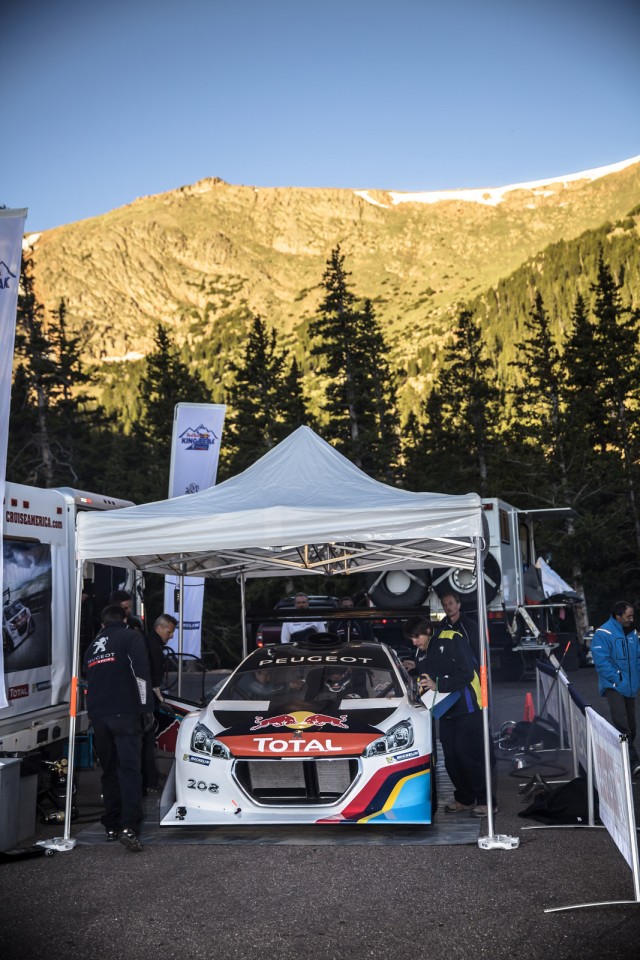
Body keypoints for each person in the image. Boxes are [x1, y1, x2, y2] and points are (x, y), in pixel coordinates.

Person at [404, 615, 491, 817]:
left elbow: (467, 673)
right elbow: (430, 673)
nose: (414, 642)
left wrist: (439, 684)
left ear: (427, 631)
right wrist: (414, 668)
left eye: (416, 637)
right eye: (411, 639)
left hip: (468, 707)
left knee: (468, 755)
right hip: (445, 710)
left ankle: (486, 801)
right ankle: (465, 799)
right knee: (450, 758)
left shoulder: (452, 638)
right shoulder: (420, 651)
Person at [83, 605, 153, 852]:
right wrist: (146, 708)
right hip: (125, 713)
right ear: (125, 619)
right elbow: (141, 674)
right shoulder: (131, 637)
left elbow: (87, 680)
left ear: (103, 624)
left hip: (99, 716)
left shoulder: (92, 646)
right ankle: (129, 827)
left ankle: (111, 825)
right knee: (130, 770)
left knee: (109, 771)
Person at [592, 600, 640, 777]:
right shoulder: (603, 633)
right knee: (622, 725)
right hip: (613, 686)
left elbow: (637, 657)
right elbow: (601, 662)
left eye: (632, 615)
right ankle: (633, 762)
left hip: (631, 686)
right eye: (629, 616)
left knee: (632, 727)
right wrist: (617, 678)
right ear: (618, 616)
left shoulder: (633, 633)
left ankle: (623, 757)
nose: (632, 619)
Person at [142, 613, 178, 793]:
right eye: (169, 632)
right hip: (147, 699)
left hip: (144, 697)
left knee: (148, 740)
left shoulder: (150, 643)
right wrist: (160, 699)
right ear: (159, 628)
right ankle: (150, 780)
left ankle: (151, 775)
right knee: (147, 741)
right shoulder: (154, 647)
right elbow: (154, 679)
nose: (171, 636)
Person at [439, 591, 480, 665]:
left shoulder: (469, 625)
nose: (448, 607)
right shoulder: (441, 626)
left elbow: (478, 649)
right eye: (444, 605)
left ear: (458, 605)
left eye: (451, 604)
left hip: (468, 669)